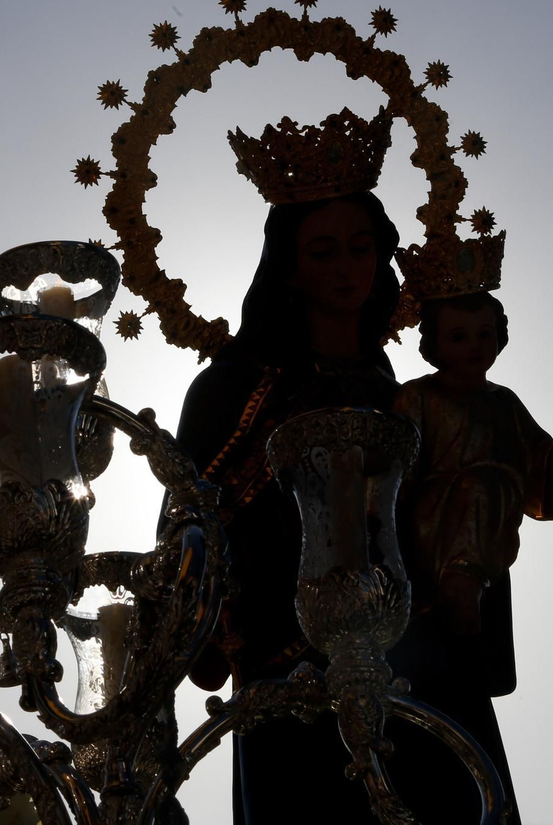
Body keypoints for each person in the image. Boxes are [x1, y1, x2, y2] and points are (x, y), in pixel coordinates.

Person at [173, 189, 403, 825]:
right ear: (291, 269)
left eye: (361, 248)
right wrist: (196, 622)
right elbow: (190, 517)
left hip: (401, 658)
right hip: (283, 661)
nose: (346, 268)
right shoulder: (231, 385)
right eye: (323, 252)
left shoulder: (403, 395)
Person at [384, 290, 553, 824]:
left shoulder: (503, 402)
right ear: (434, 345)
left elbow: (537, 454)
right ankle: (455, 590)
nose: (474, 346)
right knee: (482, 485)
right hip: (427, 528)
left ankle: (465, 589)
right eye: (458, 336)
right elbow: (393, 470)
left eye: (484, 334)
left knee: (490, 484)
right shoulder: (417, 396)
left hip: (483, 539)